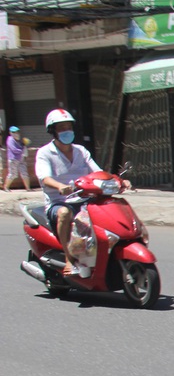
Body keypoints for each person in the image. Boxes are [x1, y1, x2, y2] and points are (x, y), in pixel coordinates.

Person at [35, 109, 128, 276]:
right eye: (62, 128)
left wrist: (118, 181)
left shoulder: (81, 151)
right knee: (64, 213)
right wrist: (59, 186)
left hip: (84, 199)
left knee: (108, 208)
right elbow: (44, 178)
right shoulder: (45, 153)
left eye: (69, 127)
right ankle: (69, 259)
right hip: (59, 202)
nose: (66, 131)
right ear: (53, 131)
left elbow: (98, 172)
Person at [4, 126, 30, 192]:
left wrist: (24, 145)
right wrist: (22, 150)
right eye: (14, 132)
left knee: (24, 173)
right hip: (13, 159)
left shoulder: (19, 141)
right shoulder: (10, 140)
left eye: (17, 132)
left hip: (21, 159)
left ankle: (28, 188)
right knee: (13, 174)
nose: (16, 133)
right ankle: (6, 187)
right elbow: (14, 150)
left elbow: (24, 148)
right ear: (10, 133)